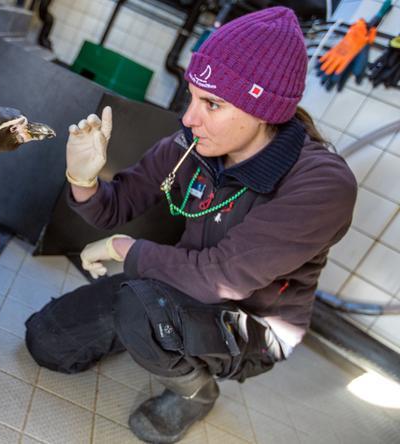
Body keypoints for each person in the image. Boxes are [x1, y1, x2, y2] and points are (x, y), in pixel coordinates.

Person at [25, 7, 357, 444]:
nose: (188, 117)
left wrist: (125, 250)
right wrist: (83, 179)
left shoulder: (321, 184)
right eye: (193, 96)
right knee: (47, 341)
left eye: (212, 104)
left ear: (264, 110)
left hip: (253, 324)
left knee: (140, 306)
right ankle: (153, 329)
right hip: (181, 285)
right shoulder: (191, 146)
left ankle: (195, 391)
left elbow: (222, 277)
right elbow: (118, 205)